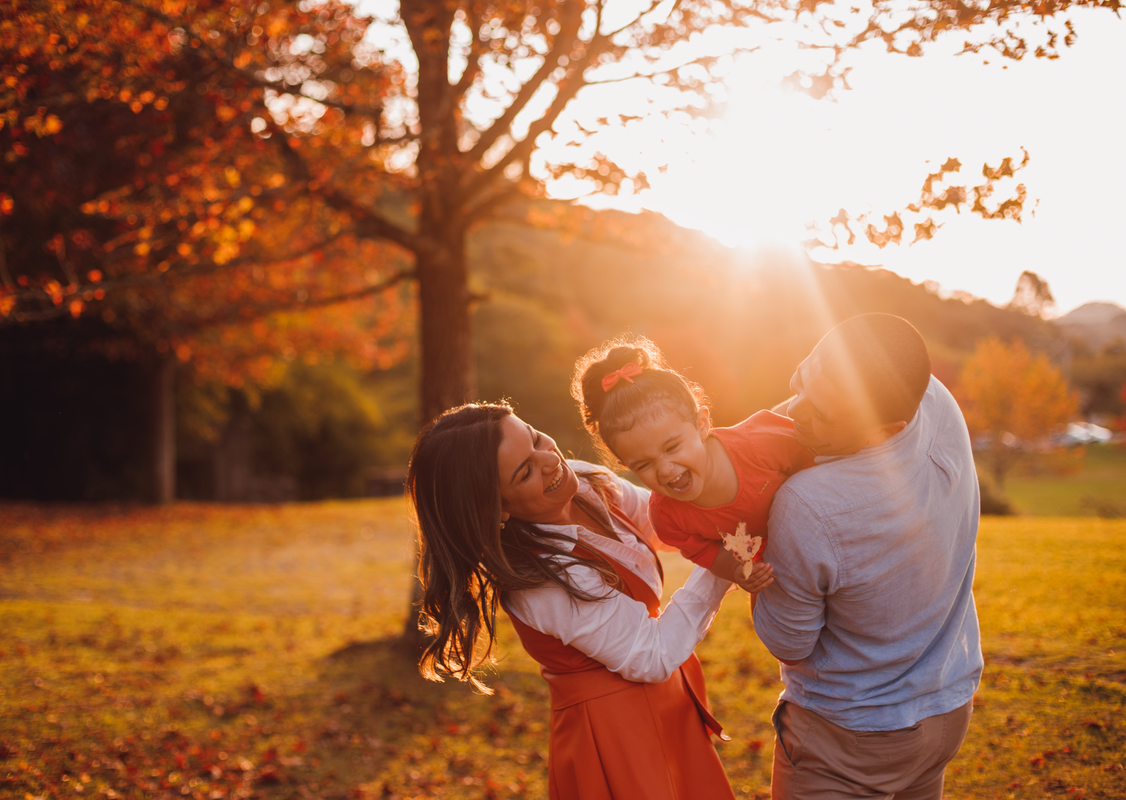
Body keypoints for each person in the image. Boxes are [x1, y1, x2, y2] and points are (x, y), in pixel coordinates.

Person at [407, 402, 754, 800]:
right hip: (617, 734)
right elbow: (652, 655)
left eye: (536, 438)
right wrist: (726, 560)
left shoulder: (589, 483)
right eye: (525, 471)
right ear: (496, 508)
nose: (549, 460)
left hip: (671, 704)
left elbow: (670, 521)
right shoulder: (539, 580)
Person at [752, 313, 983, 800]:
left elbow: (790, 641)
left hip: (848, 736)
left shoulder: (808, 503)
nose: (795, 413)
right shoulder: (934, 399)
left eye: (823, 416)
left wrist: (749, 557)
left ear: (885, 428)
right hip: (946, 706)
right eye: (801, 383)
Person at [571, 336, 816, 588]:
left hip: (822, 537)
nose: (665, 469)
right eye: (643, 464)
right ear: (625, 465)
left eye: (672, 447)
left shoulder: (759, 443)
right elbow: (705, 553)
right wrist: (738, 571)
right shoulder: (666, 516)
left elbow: (822, 463)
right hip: (774, 573)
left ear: (701, 425)